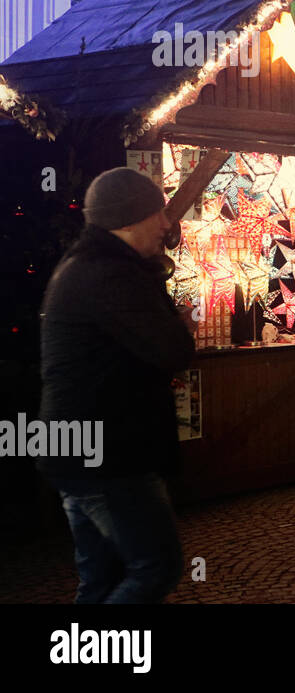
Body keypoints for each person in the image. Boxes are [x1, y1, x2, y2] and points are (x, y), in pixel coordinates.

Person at [38, 167, 194, 603]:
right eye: (156, 213)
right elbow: (172, 350)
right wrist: (175, 323)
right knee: (155, 568)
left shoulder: (86, 265)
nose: (166, 224)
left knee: (101, 580)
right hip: (110, 455)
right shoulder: (113, 275)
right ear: (128, 220)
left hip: (78, 449)